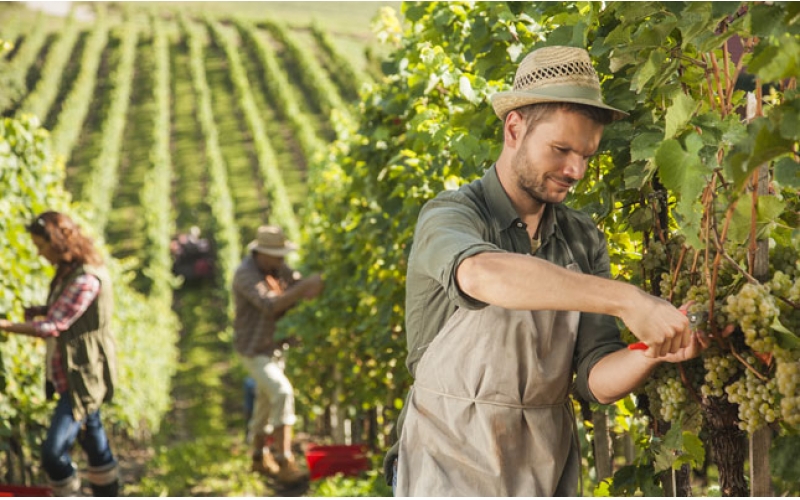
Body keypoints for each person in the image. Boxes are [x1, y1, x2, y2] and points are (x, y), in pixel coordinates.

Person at [385, 46, 706, 496]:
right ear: (514, 128)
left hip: (542, 467)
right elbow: (482, 275)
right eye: (561, 149)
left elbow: (594, 377)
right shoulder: (451, 216)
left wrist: (651, 352)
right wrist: (626, 298)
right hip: (446, 462)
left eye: (587, 155)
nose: (575, 169)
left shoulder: (582, 238)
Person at [0, 211, 119, 497]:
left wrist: (5, 325)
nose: (40, 254)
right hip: (73, 371)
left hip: (82, 374)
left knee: (53, 453)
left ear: (57, 242)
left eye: (42, 247)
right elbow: (64, 312)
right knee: (94, 441)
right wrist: (41, 309)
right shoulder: (70, 271)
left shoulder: (86, 278)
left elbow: (55, 325)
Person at [232, 225, 324, 485]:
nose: (283, 259)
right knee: (282, 392)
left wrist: (307, 286)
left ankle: (258, 457)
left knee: (265, 400)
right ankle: (284, 460)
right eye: (278, 254)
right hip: (253, 349)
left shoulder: (276, 268)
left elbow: (294, 283)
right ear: (262, 253)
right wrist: (304, 286)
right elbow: (269, 305)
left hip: (274, 347)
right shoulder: (245, 274)